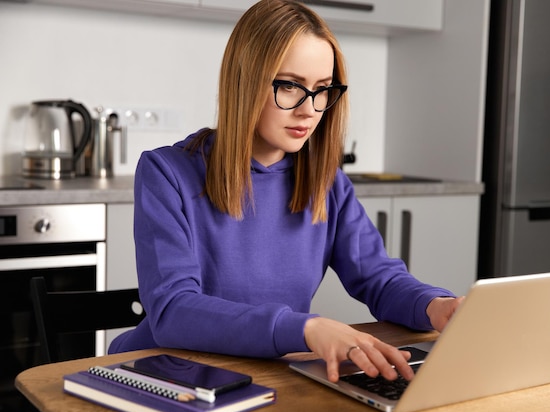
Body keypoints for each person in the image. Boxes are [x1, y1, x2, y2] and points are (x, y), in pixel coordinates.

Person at [109, 0, 464, 384]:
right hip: (172, 379)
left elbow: (379, 278)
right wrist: (308, 329)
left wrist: (437, 306)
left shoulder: (326, 184)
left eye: (323, 90)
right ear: (244, 81)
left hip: (268, 377)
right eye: (290, 85)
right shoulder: (167, 173)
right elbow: (173, 311)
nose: (309, 109)